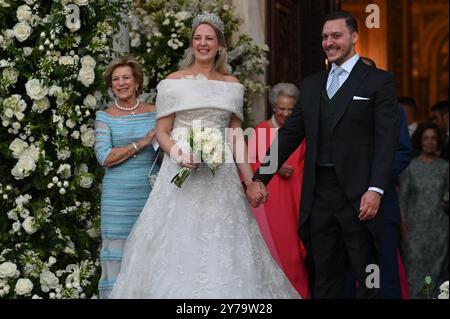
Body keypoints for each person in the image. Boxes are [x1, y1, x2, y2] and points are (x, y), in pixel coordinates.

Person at [108, 13, 300, 299]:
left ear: (220, 45)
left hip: (220, 177)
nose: (203, 43)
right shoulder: (173, 82)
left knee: (224, 245)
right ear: (191, 43)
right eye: (198, 38)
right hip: (179, 176)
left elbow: (235, 134)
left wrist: (250, 181)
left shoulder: (232, 85)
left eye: (209, 38)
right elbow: (162, 131)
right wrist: (178, 152)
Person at [248, 11, 399, 298]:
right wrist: (260, 176)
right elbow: (290, 135)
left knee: (368, 276)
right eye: (325, 37)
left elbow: (386, 141)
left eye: (336, 36)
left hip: (360, 195)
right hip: (319, 195)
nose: (329, 42)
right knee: (324, 275)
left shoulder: (378, 82)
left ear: (354, 37)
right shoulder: (312, 84)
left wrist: (376, 188)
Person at [94, 56, 159, 298]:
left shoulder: (155, 113)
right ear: (111, 85)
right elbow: (105, 157)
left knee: (148, 253)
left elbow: (164, 151)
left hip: (148, 194)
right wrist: (141, 143)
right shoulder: (105, 117)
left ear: (137, 81)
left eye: (126, 78)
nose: (121, 83)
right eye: (115, 79)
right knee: (117, 257)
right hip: (117, 200)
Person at [247, 83, 309, 298]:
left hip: (295, 198)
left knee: (295, 252)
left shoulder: (301, 134)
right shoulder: (261, 131)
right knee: (272, 248)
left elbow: (305, 164)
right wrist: (275, 164)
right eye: (281, 108)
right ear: (273, 107)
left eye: (290, 109)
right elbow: (250, 163)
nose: (285, 113)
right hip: (269, 203)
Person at [399, 122, 449, 299]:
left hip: (440, 231)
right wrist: (403, 225)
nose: (430, 142)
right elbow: (402, 199)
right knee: (415, 275)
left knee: (437, 276)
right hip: (414, 231)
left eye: (434, 138)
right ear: (419, 141)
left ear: (439, 141)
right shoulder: (409, 166)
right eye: (426, 138)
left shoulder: (445, 167)